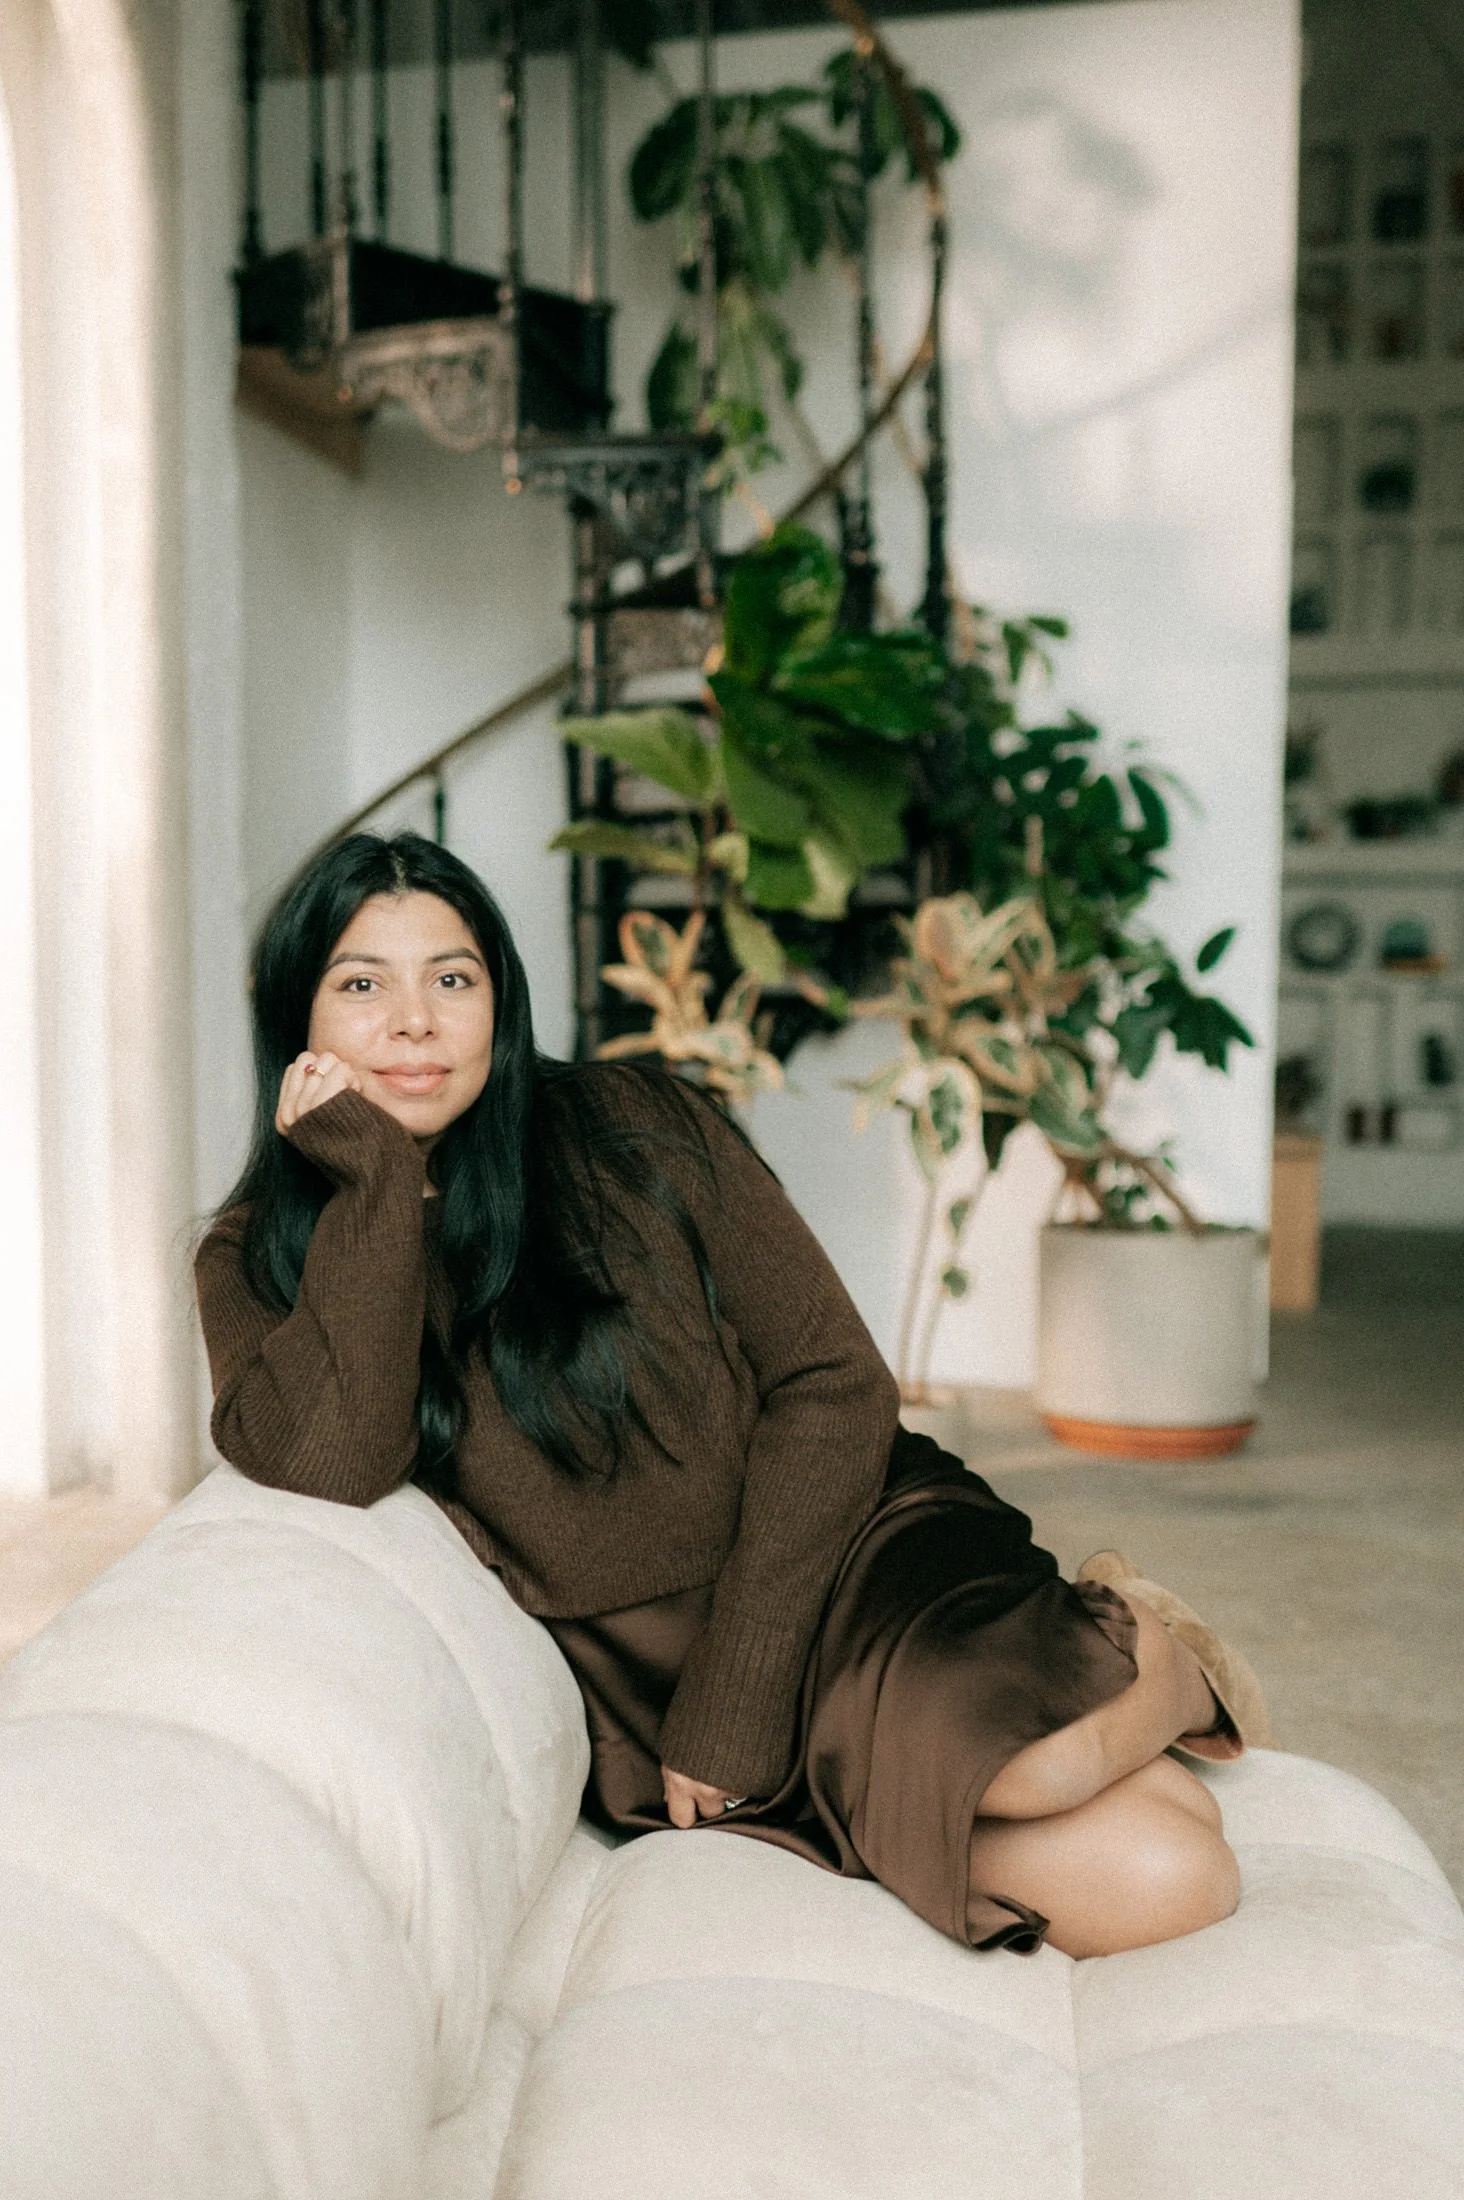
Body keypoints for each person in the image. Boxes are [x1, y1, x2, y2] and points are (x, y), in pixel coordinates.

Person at [196, 832, 1270, 1961]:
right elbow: (339, 1456)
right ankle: (1116, 1680)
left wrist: (737, 1695)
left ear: (499, 1002)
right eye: (362, 985)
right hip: (645, 1686)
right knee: (1175, 1876)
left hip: (848, 1557)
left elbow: (832, 1381)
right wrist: (374, 1186)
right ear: (295, 1016)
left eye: (452, 978)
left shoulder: (632, 1126)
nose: (415, 1022)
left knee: (1039, 1771)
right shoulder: (252, 1258)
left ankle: (1152, 1647)